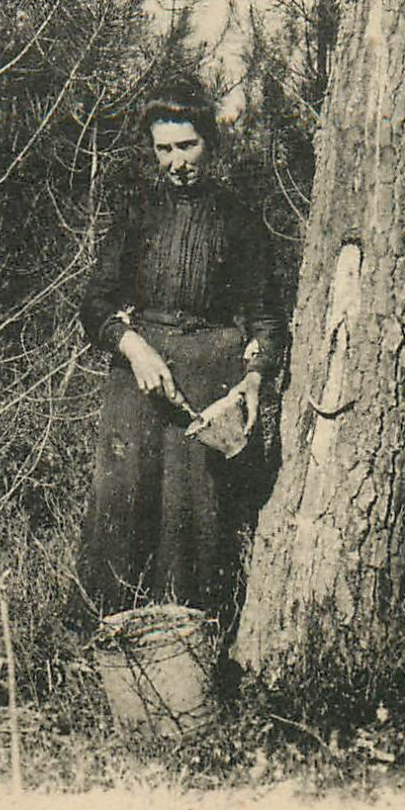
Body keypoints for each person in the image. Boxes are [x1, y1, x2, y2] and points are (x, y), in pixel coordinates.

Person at [78, 85, 287, 622]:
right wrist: (134, 348)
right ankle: (108, 643)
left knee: (194, 520)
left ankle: (191, 648)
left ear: (210, 145)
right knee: (121, 510)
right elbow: (95, 303)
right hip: (138, 386)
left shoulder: (240, 220)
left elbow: (266, 318)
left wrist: (254, 379)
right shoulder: (137, 214)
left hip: (206, 382)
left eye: (188, 146)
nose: (177, 163)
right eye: (164, 150)